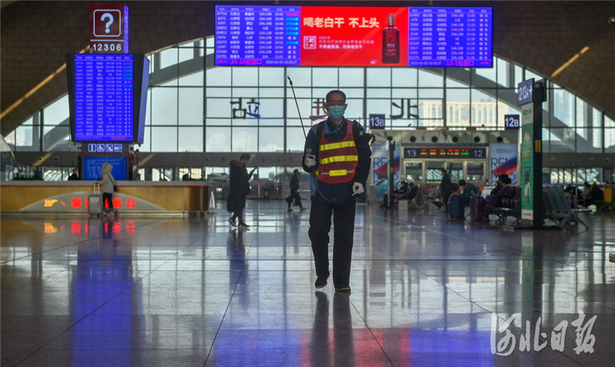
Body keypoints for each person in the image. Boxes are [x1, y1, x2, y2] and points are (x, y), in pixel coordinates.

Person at [302, 90, 372, 293]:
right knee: (317, 233)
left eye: (339, 103)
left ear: (346, 106)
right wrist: (307, 163)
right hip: (321, 191)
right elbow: (308, 161)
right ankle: (322, 274)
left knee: (344, 237)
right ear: (325, 107)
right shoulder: (316, 131)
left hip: (348, 190)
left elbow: (365, 158)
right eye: (332, 103)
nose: (336, 106)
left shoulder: (356, 129)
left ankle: (342, 282)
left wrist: (360, 181)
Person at [228, 153, 256, 228]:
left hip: (234, 189)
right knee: (241, 205)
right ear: (246, 159)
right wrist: (251, 173)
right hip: (241, 189)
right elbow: (245, 178)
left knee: (238, 206)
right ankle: (233, 218)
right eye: (248, 160)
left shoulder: (234, 167)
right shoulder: (242, 166)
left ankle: (240, 222)